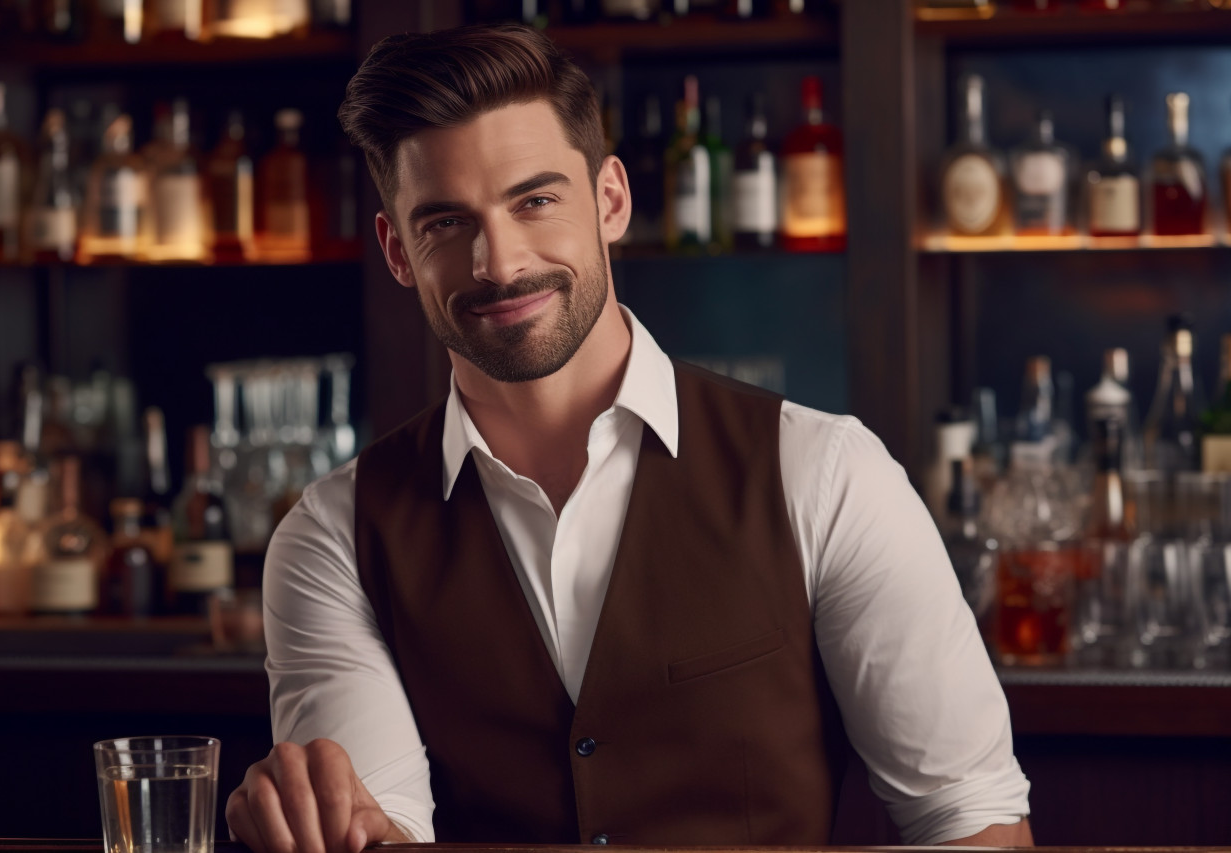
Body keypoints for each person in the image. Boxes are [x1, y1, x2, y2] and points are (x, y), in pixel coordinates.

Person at [225, 23, 1032, 853]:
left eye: (535, 200)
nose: (498, 263)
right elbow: (376, 832)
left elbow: (972, 821)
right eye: (443, 223)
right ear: (398, 250)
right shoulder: (332, 538)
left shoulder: (826, 473)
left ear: (611, 199)